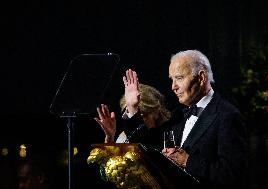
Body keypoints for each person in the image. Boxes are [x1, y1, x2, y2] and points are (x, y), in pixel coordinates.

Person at [160, 50, 248, 189]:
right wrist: (132, 108)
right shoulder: (178, 115)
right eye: (172, 79)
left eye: (179, 78)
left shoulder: (228, 115)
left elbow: (232, 174)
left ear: (201, 78)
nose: (173, 87)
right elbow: (148, 141)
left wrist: (187, 161)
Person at [95, 77, 172, 150]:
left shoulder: (165, 137)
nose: (134, 119)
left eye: (141, 115)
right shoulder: (124, 135)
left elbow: (143, 146)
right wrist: (110, 137)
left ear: (155, 113)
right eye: (128, 113)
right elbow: (110, 160)